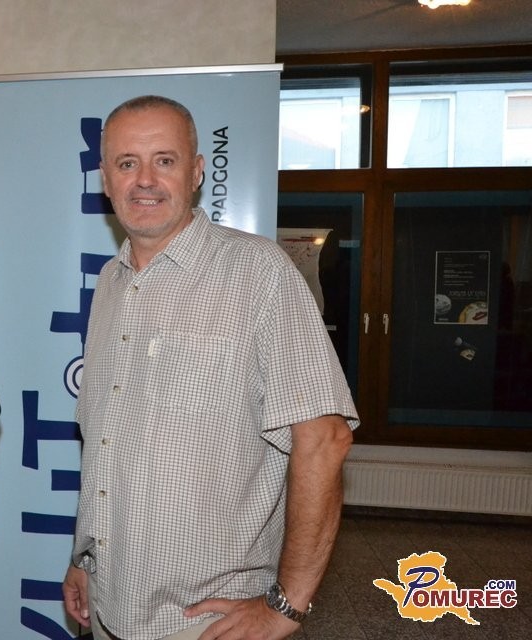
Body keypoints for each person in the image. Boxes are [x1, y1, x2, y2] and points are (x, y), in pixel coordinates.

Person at [62, 96, 359, 640]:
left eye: (165, 160)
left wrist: (286, 605)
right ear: (105, 179)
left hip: (206, 622)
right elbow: (106, 441)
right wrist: (85, 558)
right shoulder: (110, 283)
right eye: (127, 163)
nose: (144, 180)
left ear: (197, 172)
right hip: (107, 603)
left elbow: (325, 439)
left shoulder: (259, 272)